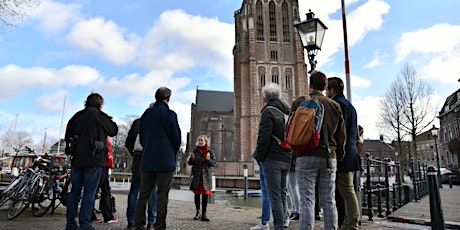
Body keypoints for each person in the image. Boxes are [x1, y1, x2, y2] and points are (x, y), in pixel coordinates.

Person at [296, 71, 346, 230]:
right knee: (329, 200)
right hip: (328, 156)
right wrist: (338, 155)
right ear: (325, 87)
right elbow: (341, 136)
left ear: (310, 85)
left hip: (305, 155)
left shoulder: (300, 102)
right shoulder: (334, 105)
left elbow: (290, 130)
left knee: (307, 201)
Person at [65, 92, 118, 230]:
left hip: (77, 160)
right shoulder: (100, 116)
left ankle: (70, 224)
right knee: (89, 192)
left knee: (74, 192)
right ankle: (85, 224)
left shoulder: (76, 117)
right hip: (94, 160)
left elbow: (68, 136)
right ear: (100, 105)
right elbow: (113, 130)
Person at [134, 87, 181, 230]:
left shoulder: (147, 114)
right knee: (162, 195)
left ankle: (138, 225)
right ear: (168, 98)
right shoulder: (170, 114)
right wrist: (170, 152)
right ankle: (159, 225)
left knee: (143, 195)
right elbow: (176, 138)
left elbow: (141, 137)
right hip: (165, 161)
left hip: (147, 160)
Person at [253, 82, 292, 230]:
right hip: (286, 158)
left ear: (265, 98)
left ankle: (278, 226)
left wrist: (259, 157)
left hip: (272, 159)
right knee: (282, 194)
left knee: (274, 195)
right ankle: (281, 223)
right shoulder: (287, 111)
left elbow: (263, 138)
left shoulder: (268, 111)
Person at [327, 77, 361, 230]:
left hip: (344, 154)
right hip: (351, 152)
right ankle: (348, 222)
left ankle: (352, 224)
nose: (326, 93)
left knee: (347, 191)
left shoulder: (338, 104)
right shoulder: (349, 105)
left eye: (327, 90)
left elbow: (339, 132)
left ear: (332, 90)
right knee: (346, 190)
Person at [125, 115, 158, 230]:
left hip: (138, 159)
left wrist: (134, 154)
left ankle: (131, 221)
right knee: (153, 191)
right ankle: (151, 222)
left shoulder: (138, 123)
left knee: (135, 190)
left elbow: (128, 142)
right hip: (154, 159)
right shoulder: (161, 122)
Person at [187, 135, 216, 221]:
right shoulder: (195, 151)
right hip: (197, 176)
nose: (200, 141)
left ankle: (204, 214)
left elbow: (214, 163)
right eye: (199, 140)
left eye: (201, 140)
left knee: (205, 196)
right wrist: (191, 158)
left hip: (206, 177)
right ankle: (197, 212)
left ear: (205, 142)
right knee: (197, 195)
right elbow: (190, 163)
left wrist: (208, 159)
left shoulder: (210, 151)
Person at [286, 96, 305, 222]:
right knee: (291, 186)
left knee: (293, 186)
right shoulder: (302, 119)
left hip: (293, 157)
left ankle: (297, 210)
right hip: (296, 156)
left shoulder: (295, 119)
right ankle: (295, 209)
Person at [91, 138, 118, 224]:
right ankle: (105, 215)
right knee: (100, 190)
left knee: (103, 190)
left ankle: (106, 215)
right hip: (103, 164)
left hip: (102, 164)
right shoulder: (102, 136)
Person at [250, 161, 271, 230]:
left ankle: (264, 222)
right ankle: (284, 219)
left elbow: (262, 150)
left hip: (267, 162)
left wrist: (258, 158)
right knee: (279, 193)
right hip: (283, 161)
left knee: (266, 193)